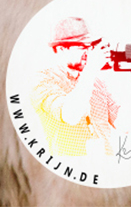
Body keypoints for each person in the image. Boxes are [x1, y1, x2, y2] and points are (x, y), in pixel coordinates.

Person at [31, 17, 119, 156]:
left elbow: (124, 123)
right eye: (81, 46)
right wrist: (91, 69)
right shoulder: (42, 81)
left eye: (90, 46)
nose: (88, 52)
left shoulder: (96, 82)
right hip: (68, 170)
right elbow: (70, 115)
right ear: (60, 49)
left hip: (104, 168)